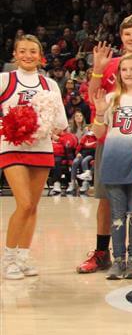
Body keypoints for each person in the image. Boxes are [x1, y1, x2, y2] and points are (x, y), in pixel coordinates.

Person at [77, 14, 132, 275]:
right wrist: (96, 69)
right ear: (121, 37)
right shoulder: (111, 64)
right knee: (106, 198)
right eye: (128, 34)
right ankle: (102, 252)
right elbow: (95, 97)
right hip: (112, 141)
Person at [1, 35, 68, 280]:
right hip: (11, 146)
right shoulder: (4, 80)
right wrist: (8, 123)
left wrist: (43, 122)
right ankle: (8, 257)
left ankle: (23, 255)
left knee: (33, 207)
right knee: (25, 203)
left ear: (41, 56)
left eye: (33, 51)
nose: (28, 56)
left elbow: (61, 121)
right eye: (22, 51)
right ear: (15, 55)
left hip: (41, 147)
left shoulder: (49, 84)